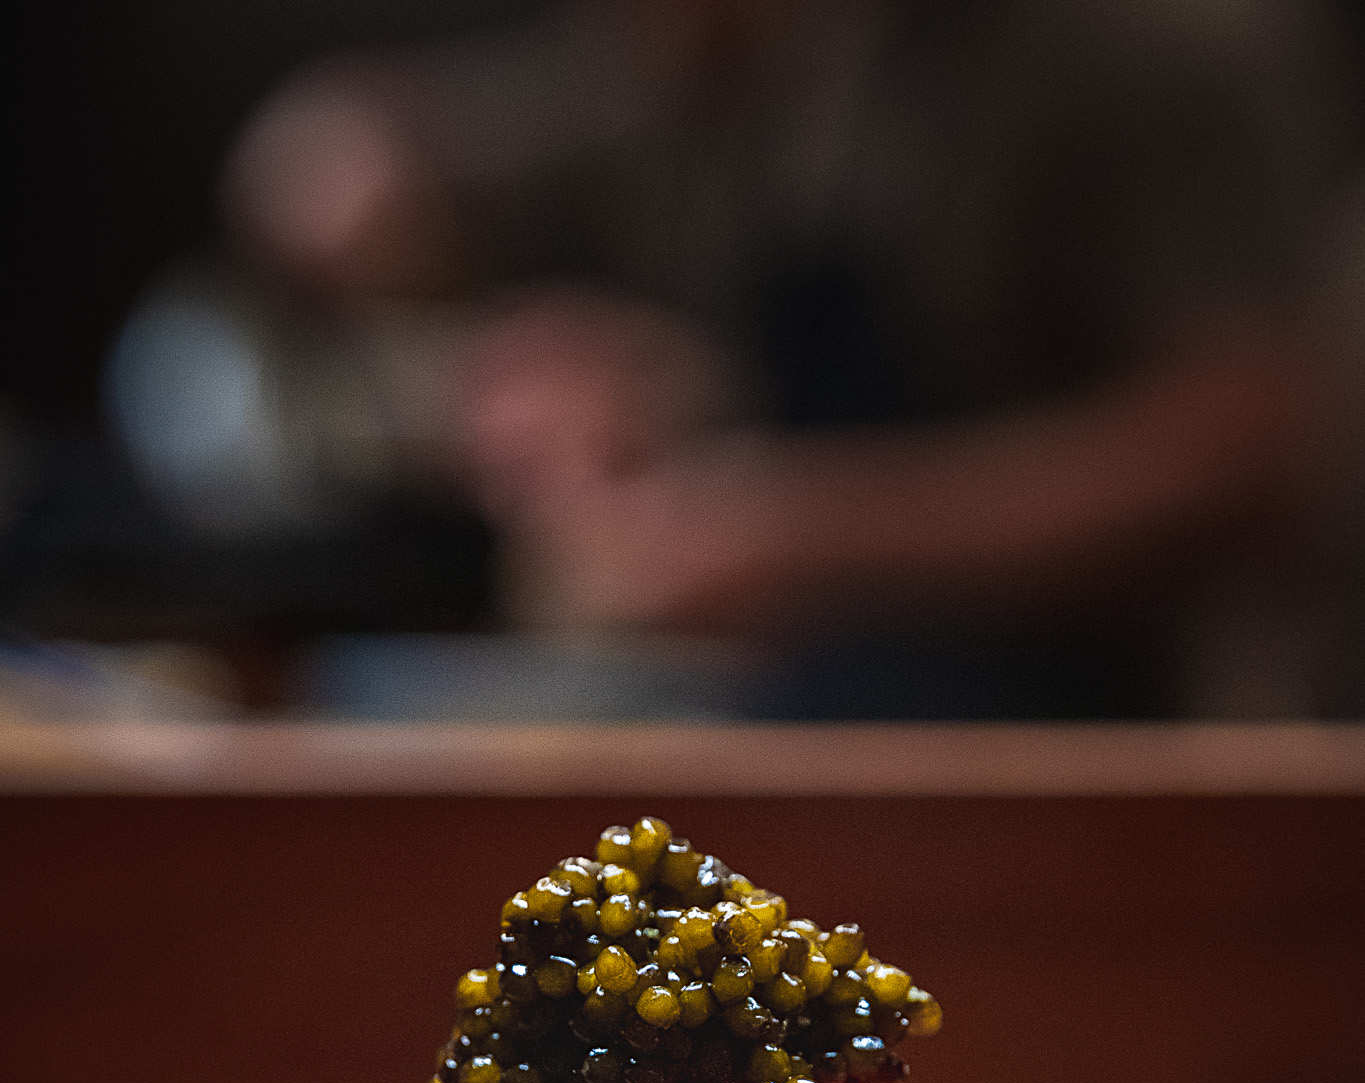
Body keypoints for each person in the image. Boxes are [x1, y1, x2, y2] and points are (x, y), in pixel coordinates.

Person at [220, 0, 1345, 714]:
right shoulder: (778, 50)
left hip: (1124, 762)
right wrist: (651, 381)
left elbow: (1241, 441)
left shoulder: (1158, 43)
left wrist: (798, 532)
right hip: (808, 706)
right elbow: (411, 162)